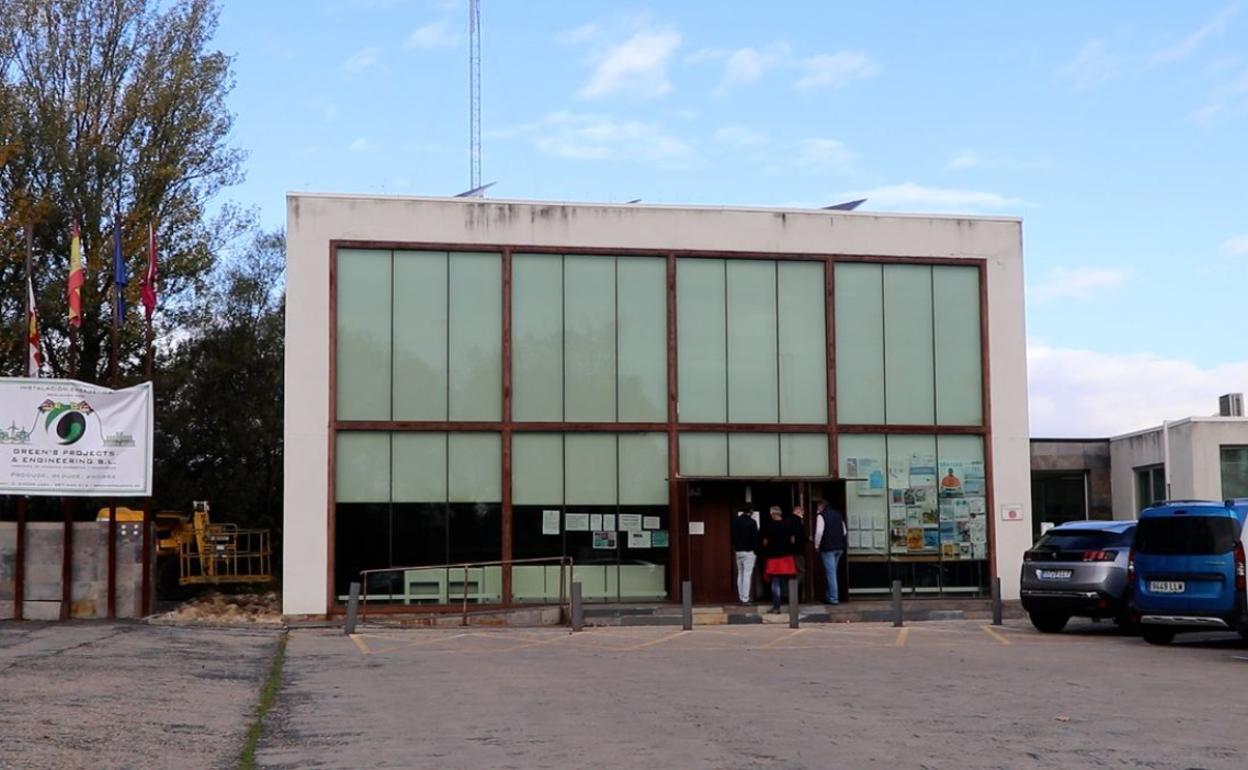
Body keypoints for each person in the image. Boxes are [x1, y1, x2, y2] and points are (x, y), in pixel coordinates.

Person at [760, 505, 802, 614]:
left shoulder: (768, 526)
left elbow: (765, 542)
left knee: (775, 582)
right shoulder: (788, 525)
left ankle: (776, 607)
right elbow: (792, 540)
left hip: (773, 558)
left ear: (773, 514)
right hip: (787, 557)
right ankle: (792, 605)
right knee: (789, 581)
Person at [813, 499, 847, 605]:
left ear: (820, 507)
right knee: (832, 572)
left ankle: (833, 597)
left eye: (817, 508)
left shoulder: (821, 516)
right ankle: (829, 596)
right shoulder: (838, 515)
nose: (817, 510)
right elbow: (844, 531)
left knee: (830, 573)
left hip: (828, 548)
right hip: (839, 547)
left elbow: (819, 532)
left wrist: (816, 545)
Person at [731, 507, 759, 605]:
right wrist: (756, 551)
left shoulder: (735, 521)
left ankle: (741, 597)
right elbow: (755, 538)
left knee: (740, 574)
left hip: (738, 551)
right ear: (751, 512)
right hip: (749, 551)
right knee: (747, 574)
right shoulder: (752, 522)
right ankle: (745, 599)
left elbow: (733, 536)